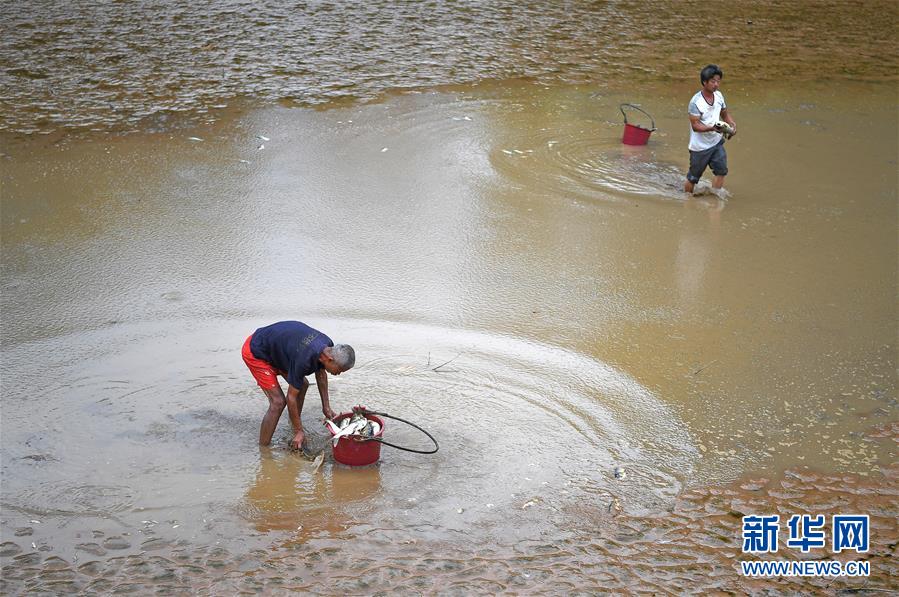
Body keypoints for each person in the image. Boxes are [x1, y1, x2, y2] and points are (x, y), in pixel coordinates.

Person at [241, 321, 355, 450]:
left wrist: (326, 407)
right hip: (256, 350)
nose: (338, 373)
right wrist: (299, 431)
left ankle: (294, 425)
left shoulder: (327, 345)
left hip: (281, 349)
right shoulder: (304, 359)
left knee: (303, 385)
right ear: (330, 360)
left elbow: (321, 374)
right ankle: (264, 450)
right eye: (339, 370)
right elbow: (291, 397)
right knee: (278, 402)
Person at [684, 64, 737, 194]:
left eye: (718, 81)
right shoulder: (695, 102)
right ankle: (686, 199)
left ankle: (715, 197)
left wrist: (732, 125)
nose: (716, 84)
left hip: (716, 142)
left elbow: (724, 114)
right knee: (693, 178)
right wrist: (712, 128)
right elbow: (695, 126)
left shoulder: (719, 96)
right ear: (704, 82)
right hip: (700, 147)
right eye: (713, 81)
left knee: (721, 171)